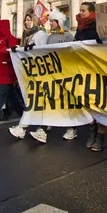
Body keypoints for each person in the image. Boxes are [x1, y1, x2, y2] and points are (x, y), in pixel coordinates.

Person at [29, 11, 75, 144]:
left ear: (59, 22)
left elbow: (74, 50)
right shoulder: (49, 37)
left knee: (66, 102)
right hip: (52, 73)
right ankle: (43, 129)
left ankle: (71, 128)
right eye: (50, 21)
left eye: (53, 21)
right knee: (50, 100)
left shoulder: (67, 35)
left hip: (65, 73)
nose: (50, 23)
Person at [8, 10, 48, 140]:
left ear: (34, 21)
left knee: (40, 100)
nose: (26, 21)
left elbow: (43, 51)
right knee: (31, 100)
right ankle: (25, 127)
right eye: (25, 19)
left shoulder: (41, 34)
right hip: (29, 73)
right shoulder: (26, 36)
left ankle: (38, 128)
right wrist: (17, 49)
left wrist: (31, 48)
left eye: (29, 19)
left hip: (41, 72)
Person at [74, 2, 106, 151]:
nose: (80, 13)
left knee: (99, 103)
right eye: (80, 10)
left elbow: (104, 43)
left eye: (83, 11)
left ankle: (100, 135)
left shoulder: (99, 24)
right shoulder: (80, 27)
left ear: (92, 11)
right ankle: (92, 131)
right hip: (83, 68)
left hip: (97, 67)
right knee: (85, 102)